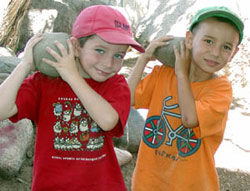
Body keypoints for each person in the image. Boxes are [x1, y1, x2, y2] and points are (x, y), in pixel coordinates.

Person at [0, 5, 144, 191]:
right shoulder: (44, 83)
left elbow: (108, 121)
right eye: (100, 50)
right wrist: (25, 65)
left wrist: (72, 76)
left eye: (118, 55)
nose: (109, 63)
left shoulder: (115, 85)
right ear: (76, 46)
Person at [128, 6, 244, 191]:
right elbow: (127, 98)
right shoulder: (163, 74)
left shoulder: (221, 89)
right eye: (208, 41)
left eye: (226, 47)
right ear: (189, 39)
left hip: (192, 185)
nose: (215, 52)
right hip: (148, 182)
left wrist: (181, 74)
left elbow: (189, 119)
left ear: (234, 53)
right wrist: (144, 59)